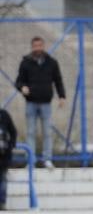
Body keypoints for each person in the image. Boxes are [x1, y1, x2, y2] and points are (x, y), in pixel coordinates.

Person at [14, 36, 65, 169]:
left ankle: (47, 159)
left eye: (40, 45)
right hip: (31, 103)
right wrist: (22, 87)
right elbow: (19, 81)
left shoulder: (52, 63)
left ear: (44, 46)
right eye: (35, 46)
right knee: (30, 132)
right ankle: (31, 160)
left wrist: (62, 96)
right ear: (32, 47)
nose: (38, 48)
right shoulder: (25, 63)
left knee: (47, 132)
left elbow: (58, 80)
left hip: (46, 103)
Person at [0, 106, 15, 210]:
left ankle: (2, 203)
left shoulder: (4, 114)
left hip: (3, 155)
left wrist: (11, 145)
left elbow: (13, 131)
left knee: (3, 179)